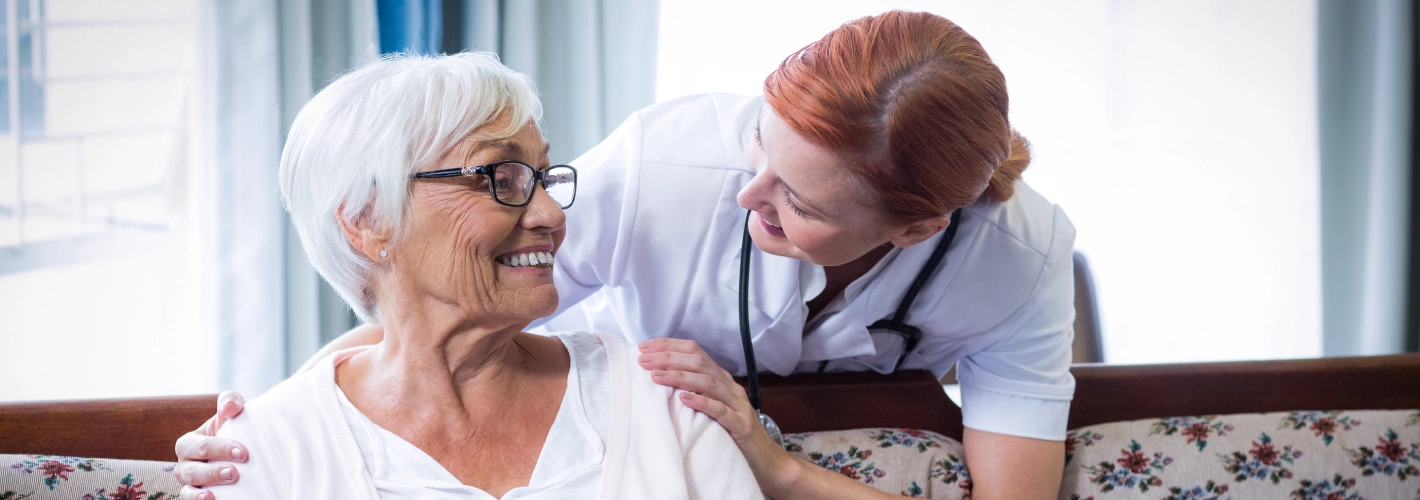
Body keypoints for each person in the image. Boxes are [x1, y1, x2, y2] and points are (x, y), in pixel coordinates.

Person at [176, 10, 1074, 499]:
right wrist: (278, 422)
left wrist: (779, 467)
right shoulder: (668, 169)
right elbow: (434, 299)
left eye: (794, 202)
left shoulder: (1018, 265)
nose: (744, 194)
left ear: (913, 229)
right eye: (757, 149)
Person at [193, 52, 762, 500]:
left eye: (541, 177)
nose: (551, 215)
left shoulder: (661, 403)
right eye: (500, 176)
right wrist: (278, 421)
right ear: (369, 221)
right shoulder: (263, 450)